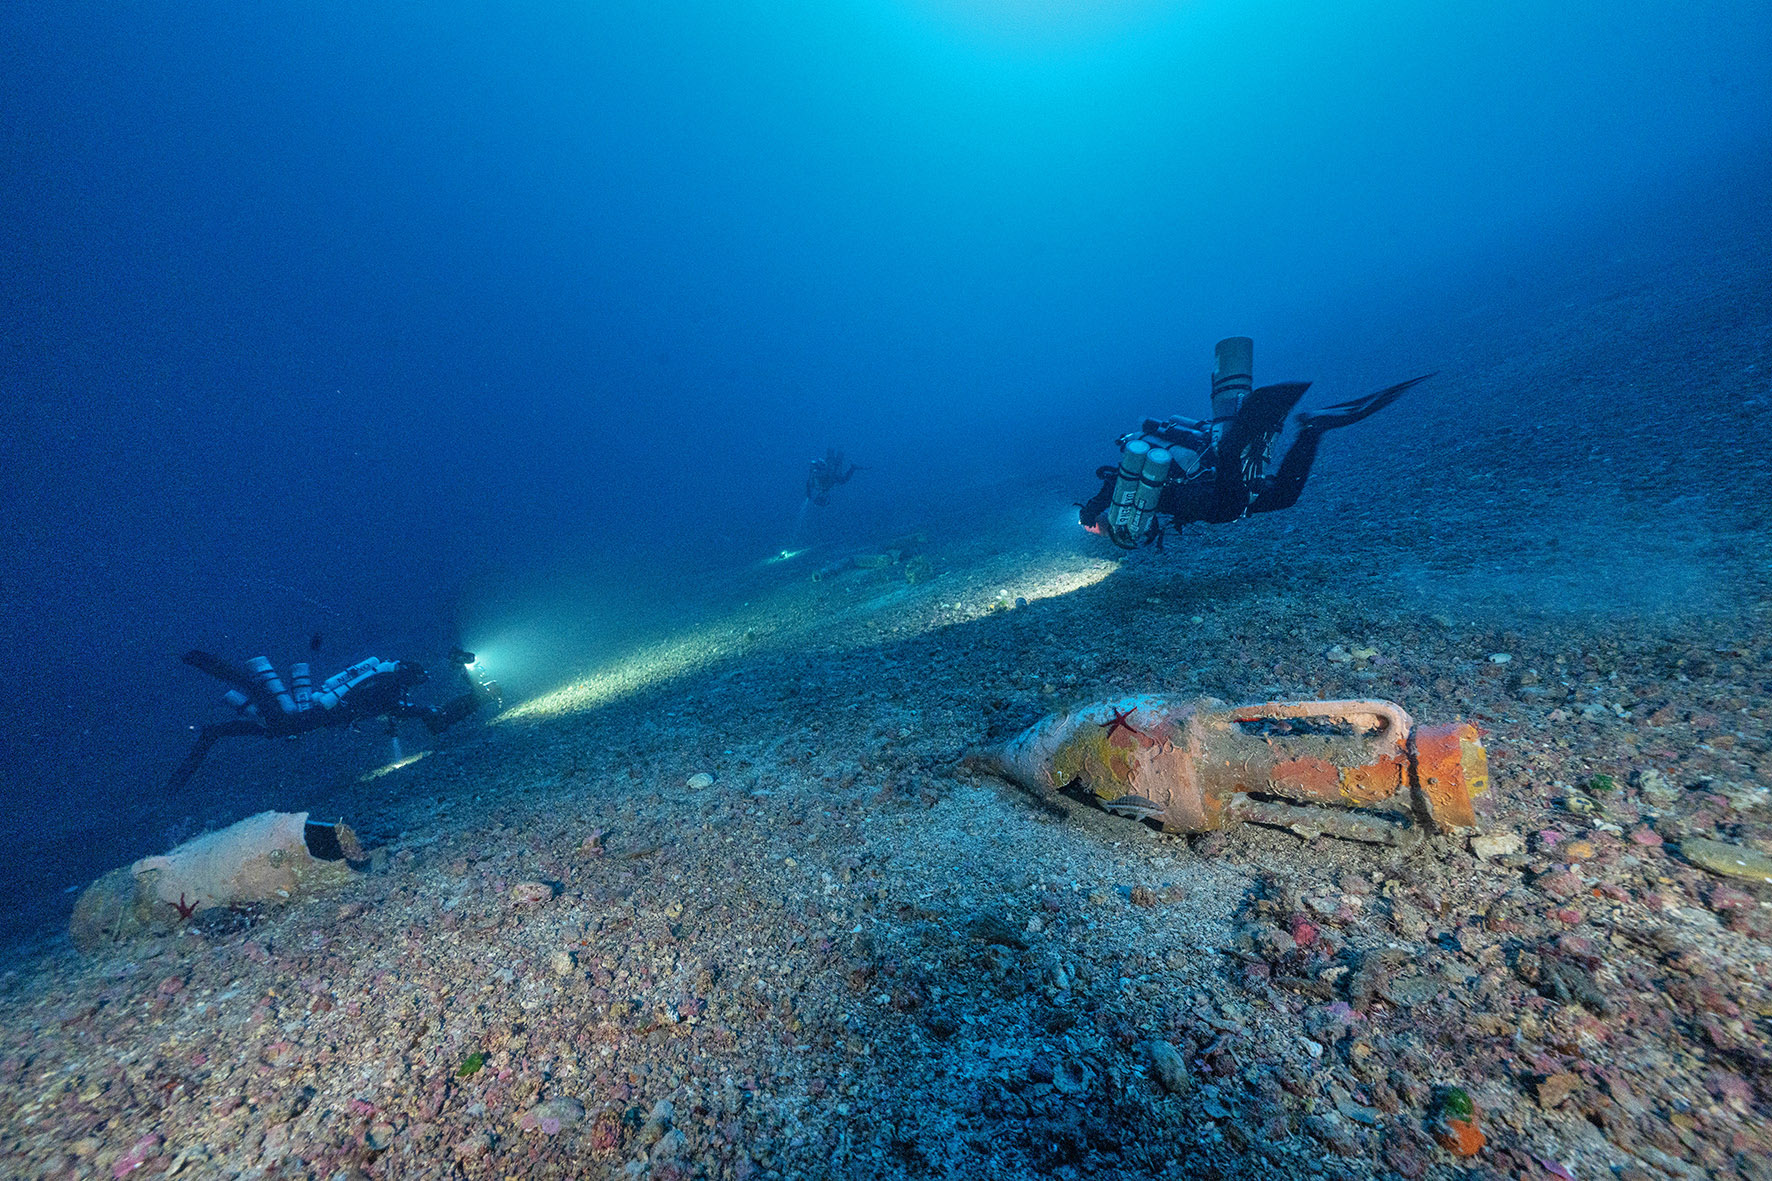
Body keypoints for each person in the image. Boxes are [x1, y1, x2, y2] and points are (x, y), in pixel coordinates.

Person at [1080, 337, 1432, 548]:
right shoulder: (1136, 487)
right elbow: (1120, 498)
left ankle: (1237, 444)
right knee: (1284, 496)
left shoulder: (1127, 487)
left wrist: (1090, 516)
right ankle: (1312, 428)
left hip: (1207, 494)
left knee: (1230, 500)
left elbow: (1110, 491)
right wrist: (1096, 515)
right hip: (1213, 484)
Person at [168, 646, 500, 790]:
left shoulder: (384, 682)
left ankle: (206, 679)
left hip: (305, 715)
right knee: (259, 696)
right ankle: (203, 661)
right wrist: (420, 710)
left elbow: (384, 707)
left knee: (256, 716)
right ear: (407, 679)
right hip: (302, 717)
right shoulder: (387, 688)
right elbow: (395, 708)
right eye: (415, 682)